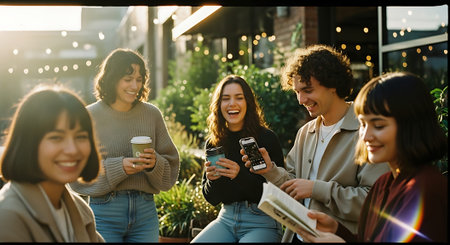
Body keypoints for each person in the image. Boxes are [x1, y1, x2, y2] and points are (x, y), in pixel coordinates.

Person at [241, 44, 390, 242]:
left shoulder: (366, 132)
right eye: (297, 92)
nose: (301, 99)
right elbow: (293, 186)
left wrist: (316, 189)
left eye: (308, 90)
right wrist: (269, 170)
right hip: (298, 237)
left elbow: (373, 203)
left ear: (332, 84)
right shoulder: (306, 133)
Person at [295, 72, 448, 242]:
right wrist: (337, 230)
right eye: (362, 124)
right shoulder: (384, 183)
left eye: (379, 125)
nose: (365, 136)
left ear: (411, 125)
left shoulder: (425, 190)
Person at [69, 48, 180, 242]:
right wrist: (118, 167)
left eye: (139, 79)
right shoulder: (89, 117)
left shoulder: (151, 114)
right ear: (112, 79)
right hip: (103, 212)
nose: (135, 85)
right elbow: (76, 174)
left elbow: (170, 170)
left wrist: (154, 163)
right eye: (128, 79)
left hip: (146, 212)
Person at [0, 85, 104, 242]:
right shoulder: (8, 217)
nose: (72, 149)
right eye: (56, 137)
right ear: (28, 143)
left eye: (81, 136)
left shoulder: (79, 208)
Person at [191, 75, 285, 243]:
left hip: (262, 220)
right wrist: (213, 180)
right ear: (219, 105)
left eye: (239, 98)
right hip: (226, 218)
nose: (232, 103)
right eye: (225, 99)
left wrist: (238, 175)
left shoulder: (266, 138)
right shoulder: (214, 142)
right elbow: (212, 198)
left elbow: (277, 196)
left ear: (248, 102)